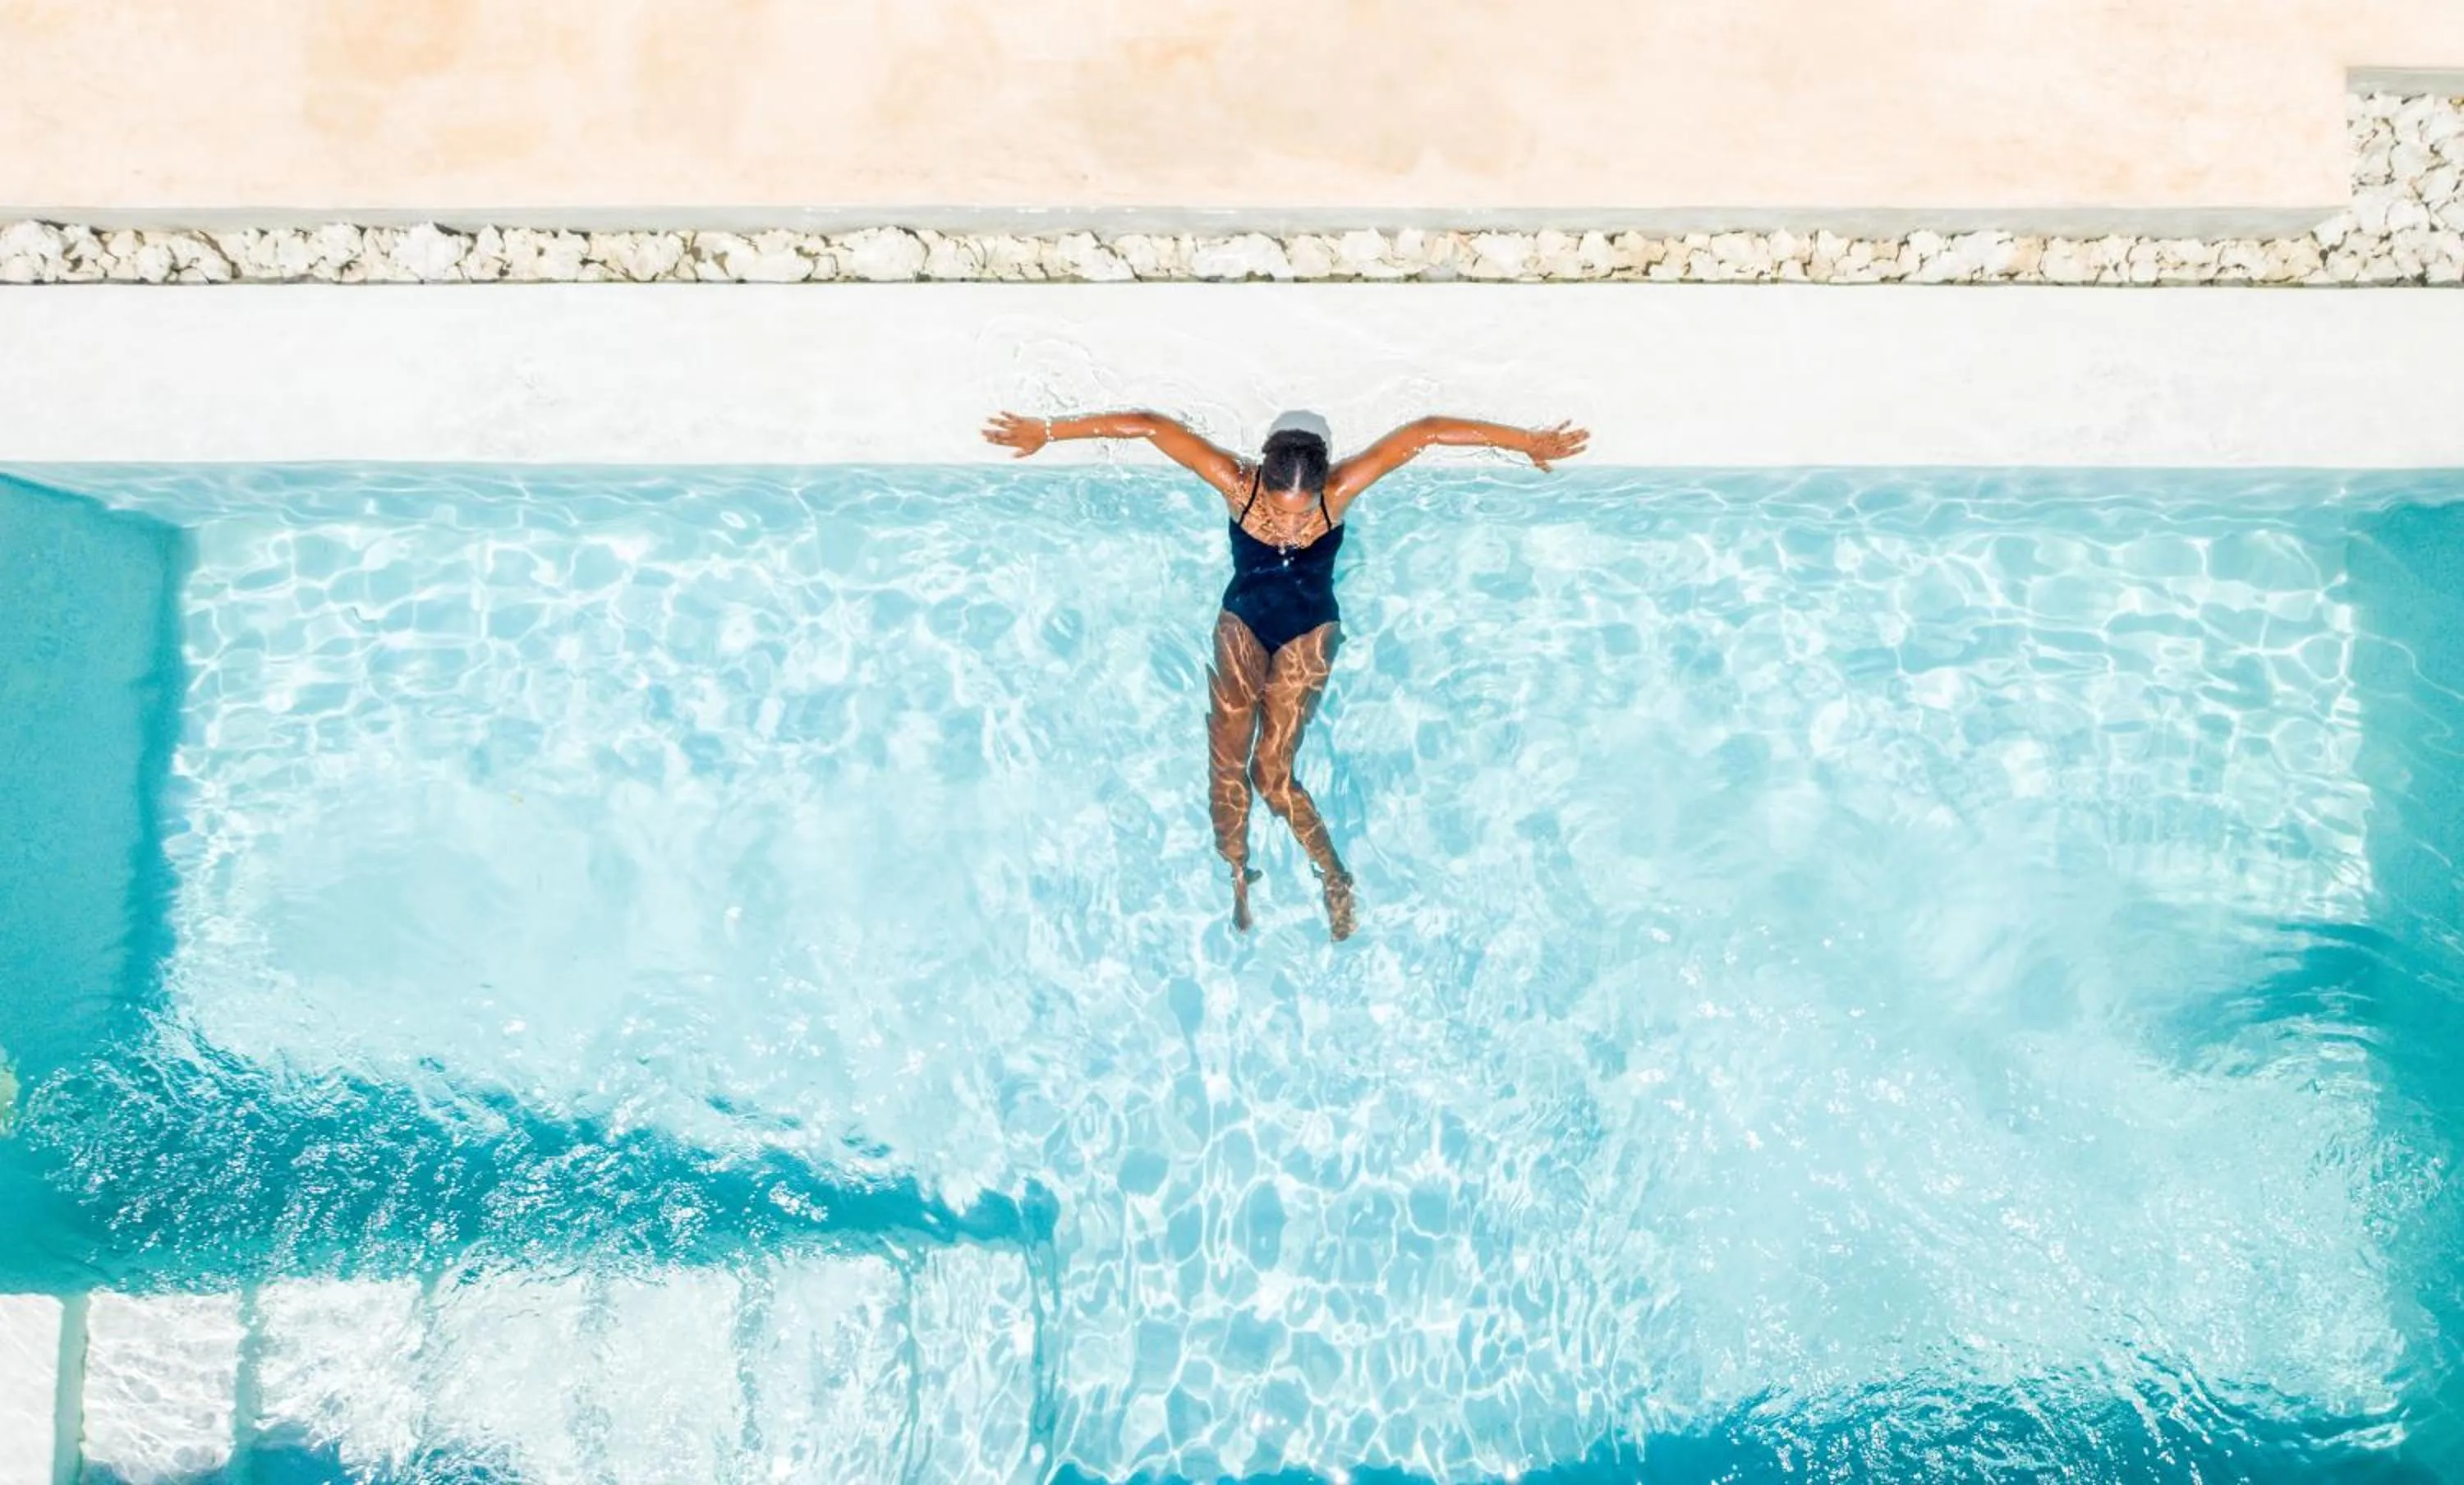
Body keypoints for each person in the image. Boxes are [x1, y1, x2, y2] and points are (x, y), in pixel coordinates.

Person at [981, 408, 1589, 939]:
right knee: (1225, 764)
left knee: (1273, 776)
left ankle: (1335, 875)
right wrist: (1048, 432)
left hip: (1307, 632)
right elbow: (1148, 425)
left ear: (1323, 482)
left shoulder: (1341, 489)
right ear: (1261, 478)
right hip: (1243, 625)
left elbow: (1425, 433)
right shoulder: (1236, 484)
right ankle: (1238, 873)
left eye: (1304, 513)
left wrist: (1527, 443)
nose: (1292, 525)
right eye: (1278, 510)